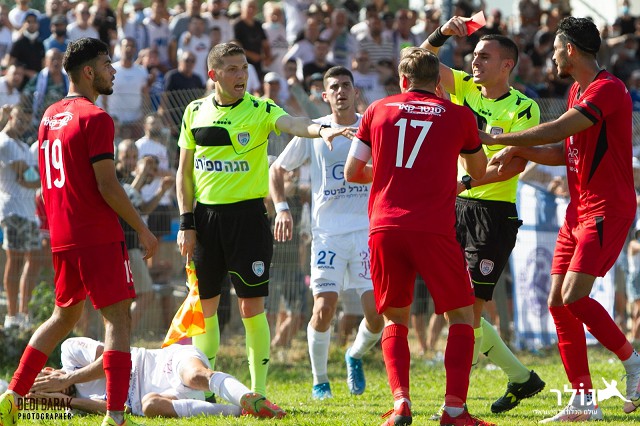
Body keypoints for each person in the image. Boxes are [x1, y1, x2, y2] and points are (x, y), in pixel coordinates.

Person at [176, 42, 353, 401]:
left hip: (248, 219)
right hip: (206, 221)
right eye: (232, 69)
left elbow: (294, 123)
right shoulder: (194, 111)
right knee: (206, 308)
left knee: (250, 307)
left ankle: (258, 393)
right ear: (213, 75)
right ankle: (207, 394)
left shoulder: (260, 108)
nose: (241, 75)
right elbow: (184, 173)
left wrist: (320, 129)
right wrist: (186, 222)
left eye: (244, 67)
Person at [483, 17, 640, 422]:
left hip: (607, 207)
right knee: (557, 300)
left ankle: (633, 362)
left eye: (554, 49)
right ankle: (584, 402)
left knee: (574, 296)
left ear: (569, 49)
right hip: (578, 209)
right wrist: (519, 151)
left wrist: (500, 139)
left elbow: (558, 129)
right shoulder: (574, 89)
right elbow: (563, 151)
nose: (550, 56)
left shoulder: (608, 89)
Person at [0, 37, 158, 426]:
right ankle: (115, 415)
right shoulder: (96, 118)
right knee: (117, 320)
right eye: (106, 64)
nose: (113, 70)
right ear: (88, 72)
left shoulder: (48, 116)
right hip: (97, 234)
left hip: (63, 235)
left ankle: (12, 396)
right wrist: (142, 228)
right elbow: (107, 185)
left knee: (63, 317)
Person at [345, 46, 492, 426]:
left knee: (395, 319)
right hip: (433, 227)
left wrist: (388, 174)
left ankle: (401, 404)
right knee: (461, 315)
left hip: (385, 226)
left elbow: (352, 171)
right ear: (438, 82)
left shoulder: (377, 110)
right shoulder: (458, 115)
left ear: (402, 79)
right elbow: (479, 171)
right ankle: (454, 410)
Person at [422, 19, 546, 415]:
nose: (474, 61)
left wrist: (465, 183)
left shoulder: (524, 107)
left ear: (507, 65)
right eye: (473, 55)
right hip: (456, 207)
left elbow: (515, 164)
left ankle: (455, 403)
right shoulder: (463, 86)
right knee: (455, 309)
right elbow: (417, 61)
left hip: (492, 215)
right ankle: (522, 379)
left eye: (484, 56)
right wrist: (442, 34)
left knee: (470, 310)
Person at [270, 66, 384, 400]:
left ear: (356, 91)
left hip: (366, 232)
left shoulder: (372, 127)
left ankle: (354, 355)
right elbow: (277, 168)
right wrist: (282, 208)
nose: (341, 92)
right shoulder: (316, 130)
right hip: (327, 235)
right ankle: (320, 381)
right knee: (323, 309)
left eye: (346, 85)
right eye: (334, 87)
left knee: (376, 316)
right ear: (325, 95)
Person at [28, 337, 286, 419]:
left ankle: (248, 397)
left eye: (45, 385)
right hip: (164, 397)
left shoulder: (70, 351)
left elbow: (115, 359)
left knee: (196, 376)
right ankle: (241, 412)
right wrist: (67, 401)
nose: (55, 392)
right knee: (150, 406)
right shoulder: (76, 404)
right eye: (48, 396)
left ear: (48, 371)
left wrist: (67, 379)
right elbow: (119, 409)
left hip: (168, 363)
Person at [0, 105, 40, 330]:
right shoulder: (4, 142)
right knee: (14, 260)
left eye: (26, 122)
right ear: (10, 117)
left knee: (32, 262)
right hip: (13, 210)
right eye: (20, 120)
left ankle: (24, 313)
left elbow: (32, 177)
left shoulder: (23, 146)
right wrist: (35, 178)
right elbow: (27, 175)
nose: (23, 125)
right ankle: (12, 315)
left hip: (29, 212)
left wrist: (33, 178)